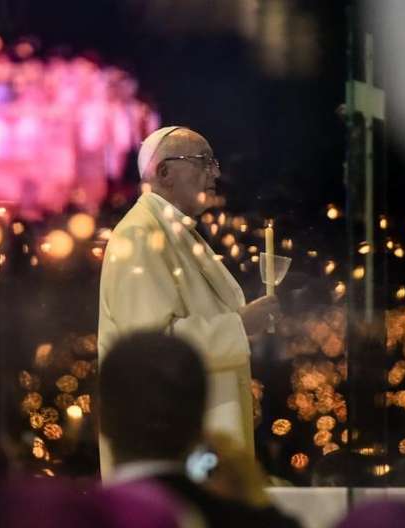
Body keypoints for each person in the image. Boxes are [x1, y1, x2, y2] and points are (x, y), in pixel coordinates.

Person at [98, 125, 281, 477]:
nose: (216, 172)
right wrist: (240, 327)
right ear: (164, 172)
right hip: (167, 446)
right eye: (203, 161)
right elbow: (151, 348)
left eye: (214, 162)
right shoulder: (140, 235)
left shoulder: (174, 232)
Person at [99, 331, 301, 528]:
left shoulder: (77, 517)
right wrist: (257, 504)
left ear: (100, 420)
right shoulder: (248, 520)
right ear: (202, 419)